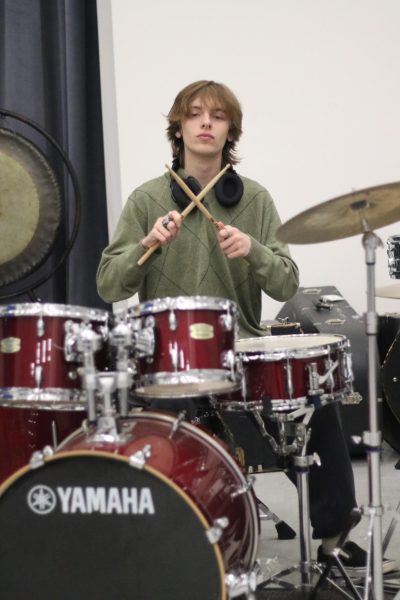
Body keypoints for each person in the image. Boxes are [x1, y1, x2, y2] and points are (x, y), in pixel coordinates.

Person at [96, 80, 395, 575]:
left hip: (243, 349)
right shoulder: (147, 199)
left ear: (231, 128)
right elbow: (108, 284)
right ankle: (177, 538)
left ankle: (334, 537)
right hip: (172, 357)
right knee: (162, 423)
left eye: (217, 116)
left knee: (313, 404)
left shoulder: (253, 199)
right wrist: (144, 246)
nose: (206, 123)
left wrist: (255, 252)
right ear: (180, 127)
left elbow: (287, 284)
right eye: (195, 114)